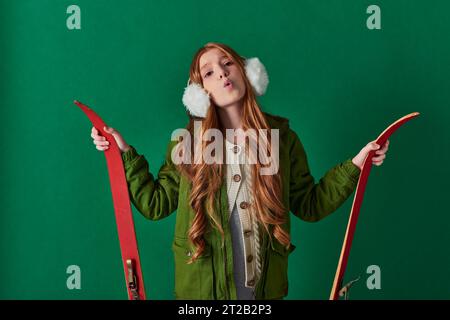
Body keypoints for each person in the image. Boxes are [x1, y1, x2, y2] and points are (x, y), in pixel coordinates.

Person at [90, 42, 389, 300]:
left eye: (228, 63)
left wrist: (355, 166)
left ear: (248, 73)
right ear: (200, 93)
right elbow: (155, 204)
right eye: (209, 72)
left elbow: (310, 204)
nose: (221, 72)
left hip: (263, 293)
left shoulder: (282, 140)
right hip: (202, 295)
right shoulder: (188, 146)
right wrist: (124, 155)